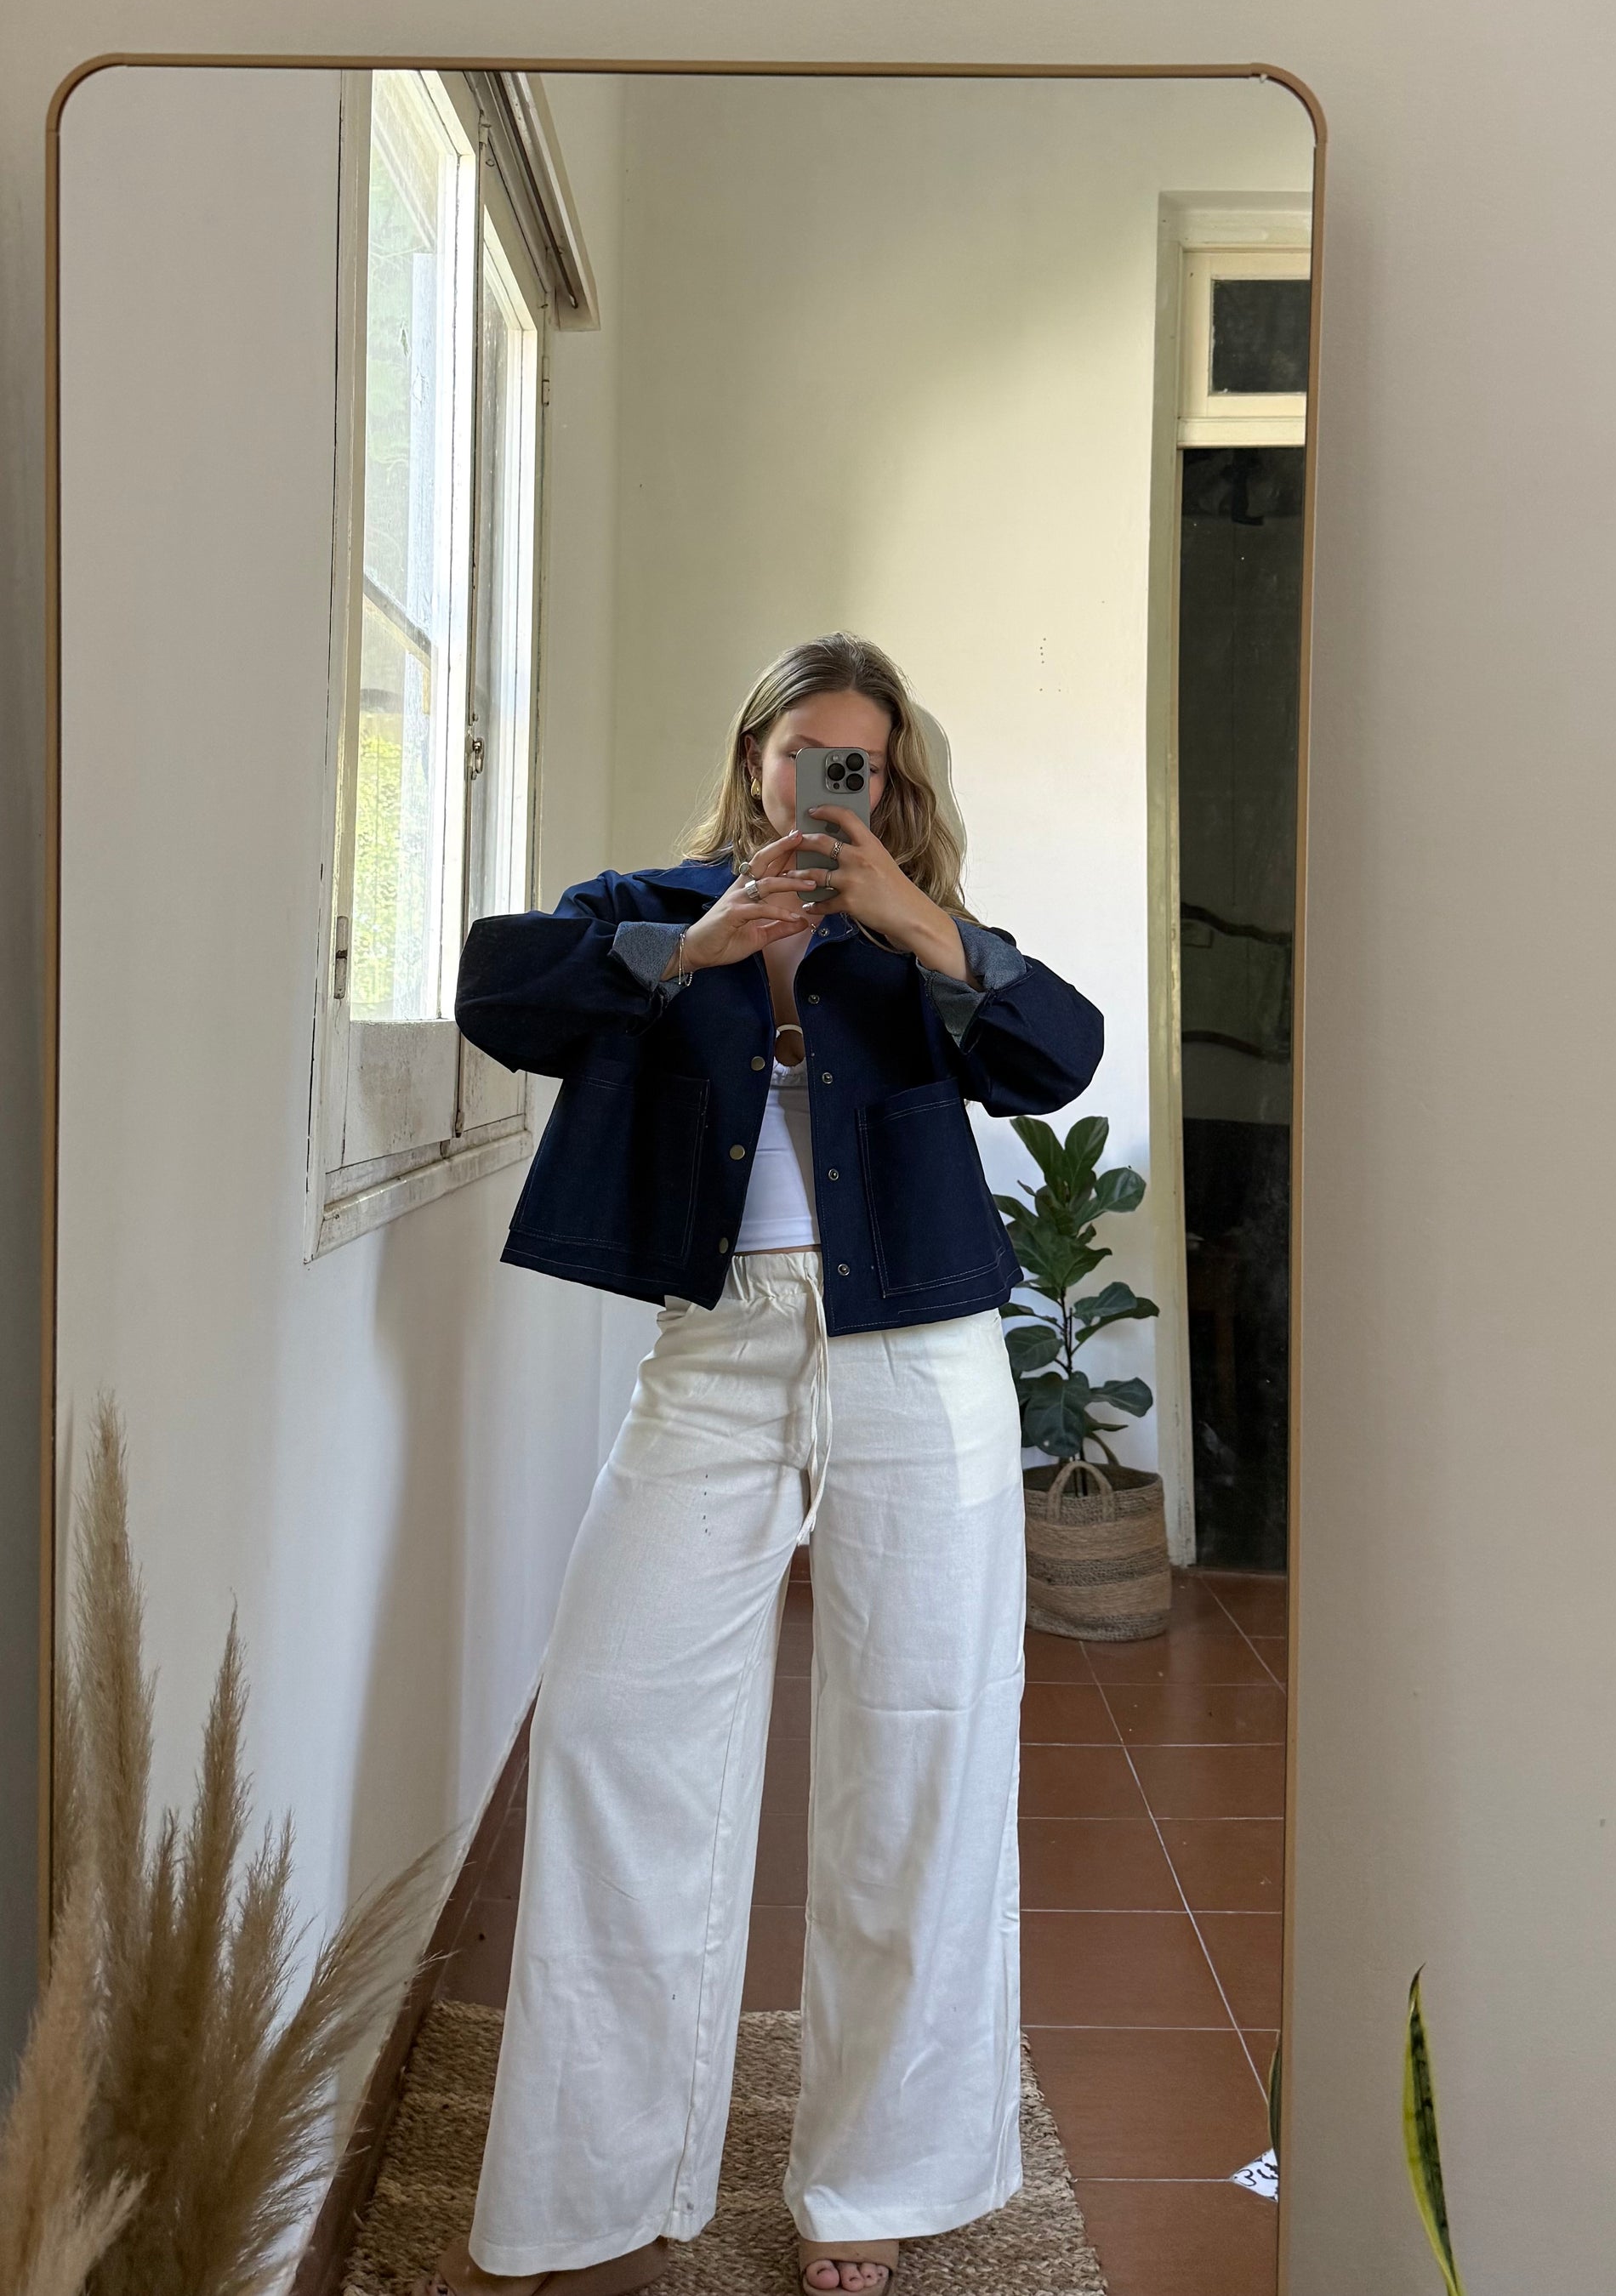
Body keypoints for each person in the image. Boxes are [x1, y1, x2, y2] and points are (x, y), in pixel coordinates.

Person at [418, 633, 1105, 2296]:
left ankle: (871, 2179)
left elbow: (1059, 1054)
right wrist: (695, 944)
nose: (828, 781)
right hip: (716, 1350)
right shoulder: (651, 907)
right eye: (805, 751)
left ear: (894, 780)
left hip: (921, 1353)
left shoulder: (921, 932)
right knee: (611, 1721)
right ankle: (598, 2176)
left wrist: (918, 921)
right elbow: (496, 988)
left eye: (862, 759)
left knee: (921, 1744)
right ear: (753, 759)